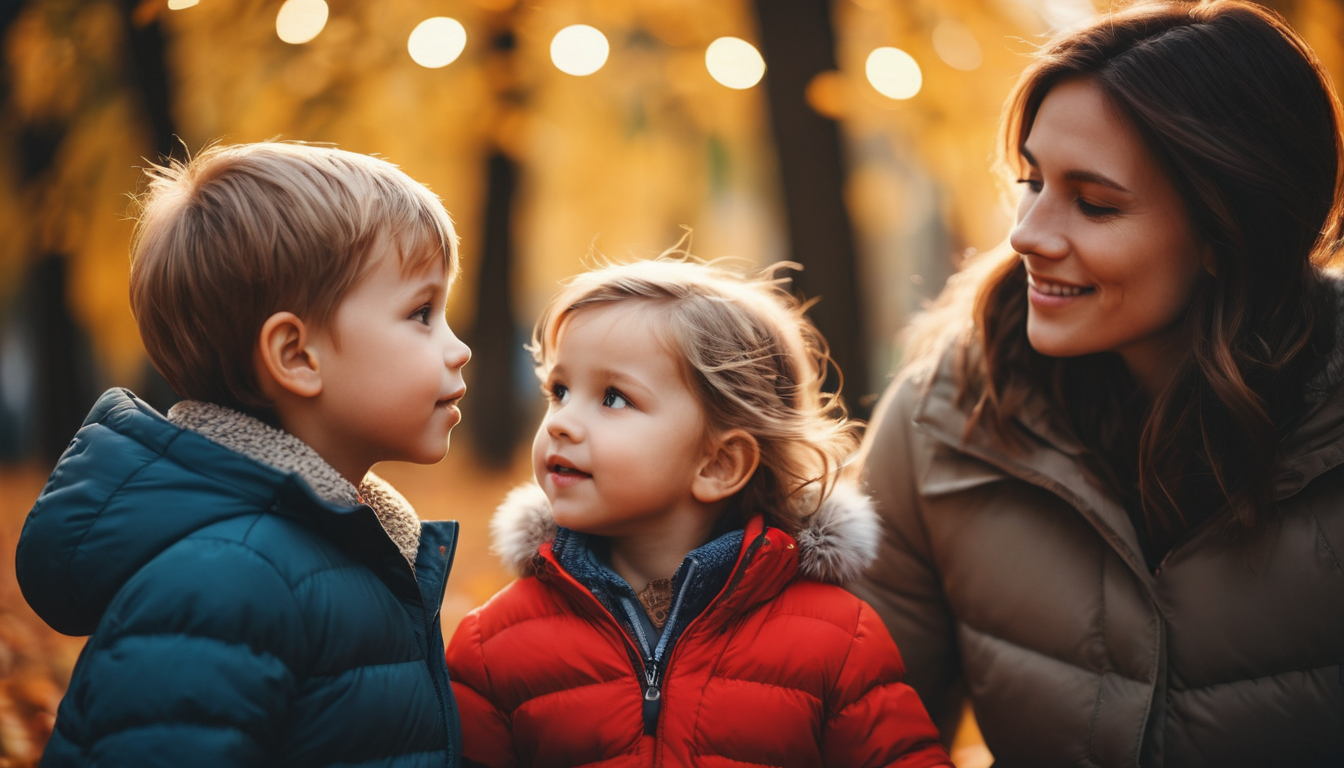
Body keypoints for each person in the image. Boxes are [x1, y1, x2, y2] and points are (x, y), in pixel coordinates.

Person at [851, 1, 1344, 765]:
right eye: (1032, 181)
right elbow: (865, 734)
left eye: (1095, 204)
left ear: (1229, 233)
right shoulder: (938, 421)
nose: (1026, 234)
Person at [16, 142, 472, 766]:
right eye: (422, 313)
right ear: (295, 355)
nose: (459, 349)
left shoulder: (343, 548)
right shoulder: (225, 582)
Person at [445, 258, 952, 767]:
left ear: (718, 464)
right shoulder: (494, 646)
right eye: (559, 392)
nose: (561, 424)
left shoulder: (837, 642)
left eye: (614, 398)